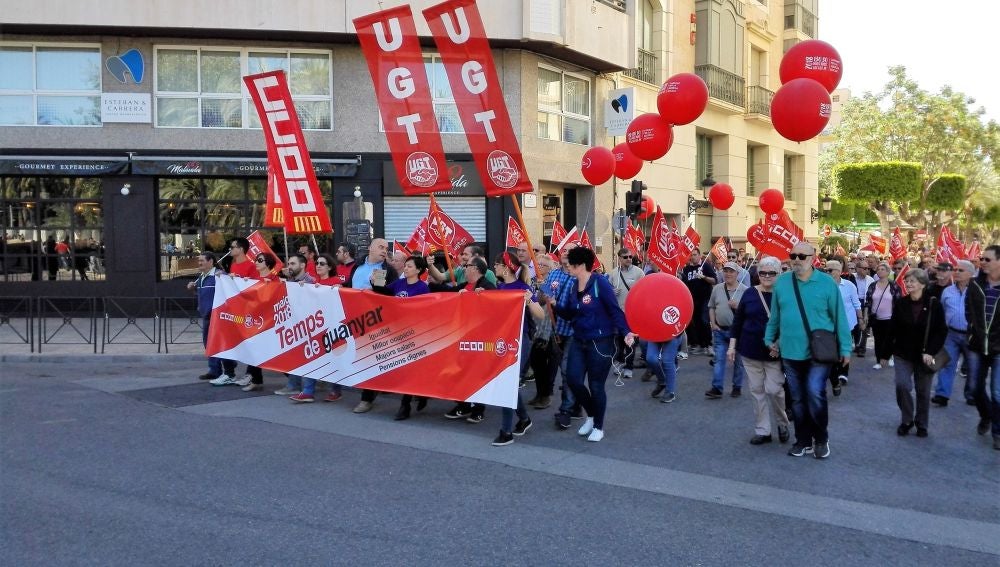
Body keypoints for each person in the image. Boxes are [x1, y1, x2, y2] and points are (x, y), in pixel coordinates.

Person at [764, 242, 851, 459]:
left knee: (814, 392)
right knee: (797, 398)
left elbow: (839, 316)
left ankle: (821, 438)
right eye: (793, 255)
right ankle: (802, 440)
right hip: (790, 351)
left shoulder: (826, 283)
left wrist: (846, 347)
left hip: (819, 351)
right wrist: (768, 338)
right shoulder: (782, 283)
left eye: (802, 256)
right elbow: (775, 315)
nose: (796, 259)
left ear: (814, 257)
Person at [554, 247, 636, 442]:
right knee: (573, 379)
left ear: (580, 265)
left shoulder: (600, 283)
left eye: (570, 264)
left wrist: (626, 332)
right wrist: (554, 303)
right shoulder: (574, 285)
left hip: (600, 341)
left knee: (596, 385)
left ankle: (598, 425)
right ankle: (591, 415)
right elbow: (570, 313)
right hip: (579, 339)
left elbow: (615, 310)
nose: (567, 266)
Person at [729, 256, 789, 445]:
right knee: (756, 391)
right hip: (750, 350)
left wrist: (778, 344)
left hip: (774, 353)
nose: (766, 276)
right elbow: (738, 322)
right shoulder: (749, 294)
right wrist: (732, 346)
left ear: (779, 274)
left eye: (771, 273)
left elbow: (789, 324)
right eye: (762, 272)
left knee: (774, 390)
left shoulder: (785, 295)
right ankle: (763, 430)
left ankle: (782, 422)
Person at [490, 252, 544, 446]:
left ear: (506, 267)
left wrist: (529, 299)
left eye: (497, 264)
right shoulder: (500, 287)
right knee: (509, 383)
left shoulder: (522, 288)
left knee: (507, 382)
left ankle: (505, 431)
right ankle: (524, 419)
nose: (494, 267)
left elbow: (541, 314)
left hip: (521, 341)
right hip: (503, 341)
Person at [373, 255, 432, 419]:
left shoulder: (422, 288)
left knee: (411, 369)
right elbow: (383, 292)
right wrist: (375, 281)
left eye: (410, 266)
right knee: (406, 369)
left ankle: (405, 406)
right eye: (405, 266)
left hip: (415, 334)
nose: (406, 269)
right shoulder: (399, 283)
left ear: (419, 270)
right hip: (398, 332)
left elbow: (425, 311)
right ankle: (421, 395)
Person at [890, 269, 947, 438]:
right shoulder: (901, 302)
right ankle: (907, 420)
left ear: (922, 284)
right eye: (907, 281)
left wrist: (930, 351)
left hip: (924, 355)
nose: (908, 284)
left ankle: (922, 423)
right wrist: (884, 353)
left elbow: (941, 330)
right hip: (903, 353)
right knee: (902, 385)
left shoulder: (933, 303)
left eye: (912, 281)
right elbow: (893, 328)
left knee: (923, 391)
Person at [441, 257, 497, 422]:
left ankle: (479, 409)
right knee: (460, 371)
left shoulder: (487, 285)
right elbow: (446, 294)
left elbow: (495, 307)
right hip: (461, 336)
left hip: (479, 339)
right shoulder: (465, 285)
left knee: (477, 373)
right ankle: (463, 404)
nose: (464, 269)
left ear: (476, 269)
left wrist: (474, 297)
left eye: (467, 266)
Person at [934, 259, 981, 407]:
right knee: (947, 364)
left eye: (960, 270)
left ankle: (971, 394)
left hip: (971, 335)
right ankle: (942, 394)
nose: (956, 272)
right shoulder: (947, 291)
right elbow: (941, 312)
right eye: (955, 269)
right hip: (951, 334)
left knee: (973, 367)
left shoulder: (978, 291)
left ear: (971, 274)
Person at [188, 252, 237, 382]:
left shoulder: (219, 275)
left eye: (202, 261)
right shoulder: (202, 277)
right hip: (206, 316)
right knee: (209, 344)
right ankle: (214, 370)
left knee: (221, 343)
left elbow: (230, 288)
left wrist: (225, 277)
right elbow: (202, 294)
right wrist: (192, 288)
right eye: (199, 261)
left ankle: (229, 369)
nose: (199, 263)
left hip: (217, 316)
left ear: (211, 262)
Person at [972, 245, 1000, 450]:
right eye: (982, 258)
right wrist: (974, 332)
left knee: (997, 392)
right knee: (975, 388)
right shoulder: (976, 284)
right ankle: (986, 416)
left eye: (987, 259)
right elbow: (969, 311)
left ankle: (998, 432)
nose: (982, 262)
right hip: (978, 345)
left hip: (999, 348)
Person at [706, 261, 748, 399]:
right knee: (719, 359)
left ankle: (737, 386)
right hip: (720, 330)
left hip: (738, 333)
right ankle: (717, 388)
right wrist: (713, 323)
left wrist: (738, 307)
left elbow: (750, 313)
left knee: (738, 361)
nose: (728, 274)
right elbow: (711, 306)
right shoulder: (717, 288)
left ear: (737, 274)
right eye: (726, 271)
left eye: (731, 271)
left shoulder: (745, 290)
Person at [826, 260, 862, 396]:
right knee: (830, 352)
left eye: (831, 270)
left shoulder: (849, 286)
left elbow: (857, 304)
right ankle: (834, 375)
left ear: (839, 271)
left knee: (843, 348)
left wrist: (861, 319)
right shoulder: (821, 286)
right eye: (826, 270)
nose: (828, 273)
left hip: (846, 323)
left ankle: (843, 374)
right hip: (827, 326)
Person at [607, 248, 644, 379]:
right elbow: (607, 290)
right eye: (625, 257)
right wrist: (611, 291)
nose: (628, 259)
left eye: (630, 257)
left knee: (630, 340)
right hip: (618, 312)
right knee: (618, 341)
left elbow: (644, 290)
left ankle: (629, 367)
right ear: (619, 258)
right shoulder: (613, 273)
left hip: (633, 312)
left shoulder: (639, 272)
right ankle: (621, 362)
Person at [866, 262, 901, 370]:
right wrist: (865, 315)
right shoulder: (873, 285)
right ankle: (878, 361)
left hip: (890, 318)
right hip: (876, 318)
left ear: (888, 272)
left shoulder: (893, 285)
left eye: (882, 269)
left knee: (890, 339)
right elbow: (868, 301)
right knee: (878, 339)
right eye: (878, 269)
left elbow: (899, 302)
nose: (880, 271)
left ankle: (889, 357)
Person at [681, 250, 716, 355]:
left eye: (695, 255)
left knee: (704, 320)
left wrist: (704, 277)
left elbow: (714, 280)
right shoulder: (687, 269)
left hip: (705, 298)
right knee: (696, 322)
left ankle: (709, 345)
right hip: (692, 299)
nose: (693, 257)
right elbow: (684, 283)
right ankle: (701, 345)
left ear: (699, 256)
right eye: (691, 255)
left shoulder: (705, 266)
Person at [852, 263, 875, 356]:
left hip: (865, 303)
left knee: (864, 326)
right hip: (853, 302)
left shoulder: (870, 279)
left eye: (868, 268)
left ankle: (862, 348)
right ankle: (857, 344)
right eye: (864, 268)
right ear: (857, 268)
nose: (867, 270)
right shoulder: (851, 277)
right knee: (855, 325)